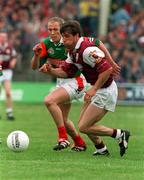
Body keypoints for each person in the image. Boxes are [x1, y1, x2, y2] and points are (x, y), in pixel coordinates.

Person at [39, 20, 130, 157]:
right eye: (63, 37)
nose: (64, 40)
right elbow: (66, 72)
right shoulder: (72, 52)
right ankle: (101, 149)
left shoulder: (87, 50)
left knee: (84, 126)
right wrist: (50, 71)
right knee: (84, 124)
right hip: (96, 89)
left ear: (76, 36)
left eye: (67, 37)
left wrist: (94, 89)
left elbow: (107, 70)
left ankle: (119, 134)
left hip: (105, 90)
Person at [31, 17, 87, 152]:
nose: (52, 32)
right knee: (63, 119)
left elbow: (71, 68)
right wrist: (37, 56)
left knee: (49, 100)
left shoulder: (70, 42)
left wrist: (50, 69)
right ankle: (80, 143)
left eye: (55, 29)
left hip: (76, 80)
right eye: (49, 29)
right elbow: (34, 67)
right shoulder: (46, 44)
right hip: (61, 82)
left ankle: (62, 138)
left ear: (62, 30)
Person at [0, 31, 17, 120]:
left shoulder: (10, 48)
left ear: (6, 38)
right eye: (1, 37)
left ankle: (9, 112)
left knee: (8, 92)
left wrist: (13, 63)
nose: (3, 38)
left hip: (7, 71)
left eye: (4, 37)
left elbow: (14, 57)